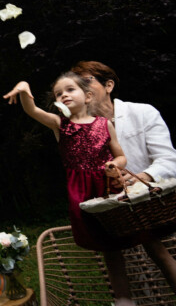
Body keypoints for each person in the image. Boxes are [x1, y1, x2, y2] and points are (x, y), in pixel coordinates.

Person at [3, 72, 143, 306]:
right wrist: (25, 87)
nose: (64, 95)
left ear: (88, 96)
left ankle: (124, 299)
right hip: (81, 191)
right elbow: (33, 110)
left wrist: (114, 165)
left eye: (70, 90)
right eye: (59, 94)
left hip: (107, 188)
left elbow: (120, 157)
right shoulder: (61, 124)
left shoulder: (104, 124)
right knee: (100, 240)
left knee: (114, 247)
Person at [71, 60, 176, 294]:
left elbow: (170, 161)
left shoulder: (143, 113)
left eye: (86, 81)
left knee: (158, 250)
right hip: (116, 215)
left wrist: (143, 176)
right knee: (119, 262)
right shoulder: (81, 129)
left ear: (108, 85)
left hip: (161, 208)